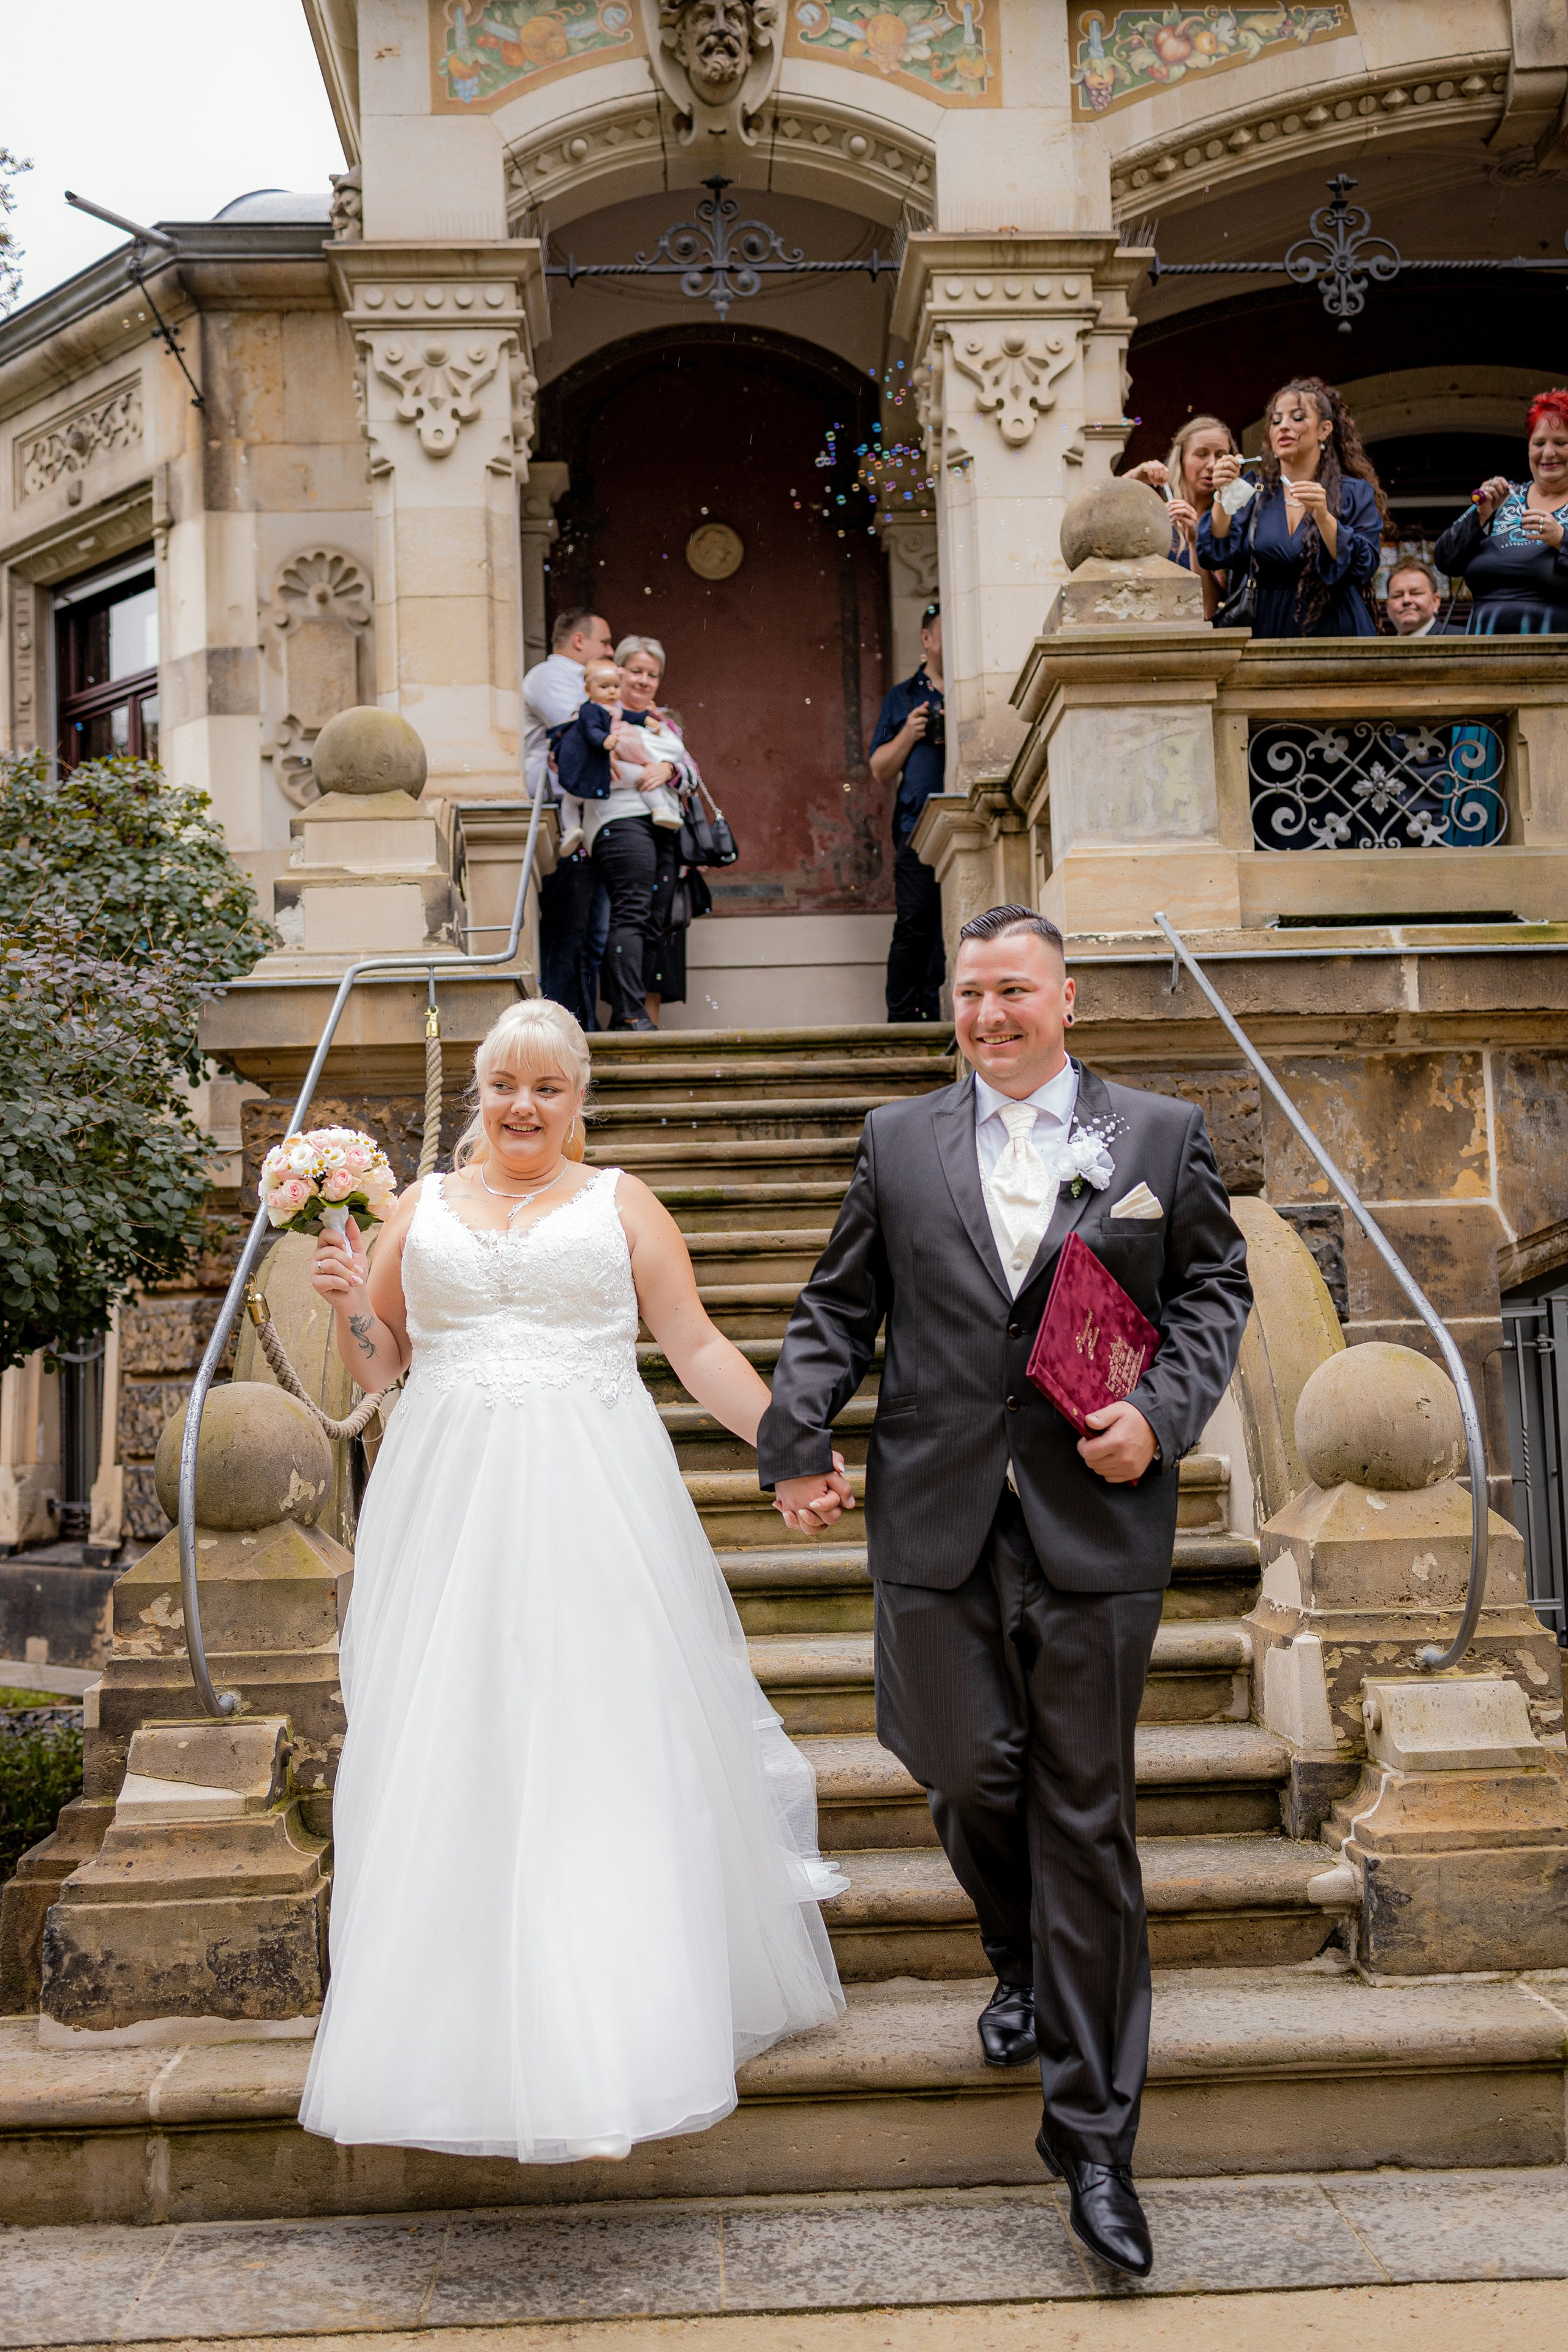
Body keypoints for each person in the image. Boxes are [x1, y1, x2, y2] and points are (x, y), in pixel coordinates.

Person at [758, 907, 1251, 2279]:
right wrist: (796, 1438)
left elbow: (1214, 1287)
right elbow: (834, 1310)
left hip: (1094, 1519)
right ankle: (1015, 1955)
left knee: (1084, 1816)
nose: (987, 1015)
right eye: (969, 994)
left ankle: (1094, 2143)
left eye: (1012, 991)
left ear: (1066, 999)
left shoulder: (1155, 1137)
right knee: (966, 1769)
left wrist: (1158, 1414)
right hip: (935, 1517)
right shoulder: (895, 1142)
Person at [300, 997, 845, 2163]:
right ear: (479, 1093)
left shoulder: (622, 1204)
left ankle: (611, 2024)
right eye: (504, 1085)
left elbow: (695, 1346)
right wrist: (351, 1302)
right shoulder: (416, 1208)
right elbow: (384, 1363)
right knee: (455, 1732)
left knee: (595, 1736)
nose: (523, 1107)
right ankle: (451, 2023)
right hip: (446, 1503)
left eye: (548, 1088)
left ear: (580, 1100)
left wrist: (790, 1450)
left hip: (596, 1503)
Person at [1200, 377, 1385, 638]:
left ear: (1324, 430)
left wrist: (1323, 516)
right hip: (1266, 630)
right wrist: (1223, 494)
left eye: (1297, 418)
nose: (1283, 427)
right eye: (1276, 421)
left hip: (1336, 631)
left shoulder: (1353, 493)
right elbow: (1214, 554)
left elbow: (1363, 566)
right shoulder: (1255, 490)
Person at [526, 609, 613, 1028]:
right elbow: (583, 729)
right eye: (605, 642)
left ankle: (583, 1025)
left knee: (589, 937)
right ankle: (564, 1025)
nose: (610, 652)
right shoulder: (550, 676)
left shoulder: (578, 681)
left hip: (584, 819)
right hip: (558, 820)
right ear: (579, 641)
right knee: (568, 932)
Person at [617, 635, 709, 1024]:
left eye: (652, 675)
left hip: (666, 831)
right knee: (629, 918)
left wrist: (670, 770)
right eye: (636, 671)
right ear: (618, 670)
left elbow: (694, 774)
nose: (643, 681)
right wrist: (644, 769)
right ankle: (628, 1013)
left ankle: (640, 1016)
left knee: (655, 922)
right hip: (620, 828)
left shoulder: (666, 725)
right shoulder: (602, 712)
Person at [1433, 390, 1568, 635]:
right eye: (1539, 443)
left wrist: (1560, 539)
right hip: (1483, 657)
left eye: (1560, 443)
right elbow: (1445, 559)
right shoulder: (1505, 498)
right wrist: (1481, 515)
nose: (1548, 454)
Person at [870, 601, 946, 1023]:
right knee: (914, 923)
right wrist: (910, 732)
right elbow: (880, 768)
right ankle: (902, 1018)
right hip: (915, 827)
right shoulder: (902, 697)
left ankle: (941, 1012)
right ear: (926, 639)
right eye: (944, 631)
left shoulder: (973, 689)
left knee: (953, 930)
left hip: (967, 824)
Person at [1125, 415, 1237, 620]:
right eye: (1202, 454)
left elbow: (1207, 610)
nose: (1212, 464)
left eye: (1221, 455)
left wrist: (1195, 542)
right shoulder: (1156, 514)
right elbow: (1102, 517)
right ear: (1181, 460)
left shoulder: (1234, 520)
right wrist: (1133, 478)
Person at [1384, 557, 1455, 637]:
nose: (1406, 600)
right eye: (1397, 596)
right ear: (1388, 608)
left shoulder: (1462, 638)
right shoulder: (1380, 648)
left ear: (1435, 601)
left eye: (1416, 593)